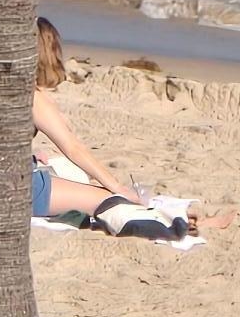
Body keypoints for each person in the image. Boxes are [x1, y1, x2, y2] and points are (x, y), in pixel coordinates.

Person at [30, 18, 199, 238]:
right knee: (109, 201)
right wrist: (118, 187)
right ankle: (174, 223)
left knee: (73, 171)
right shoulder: (34, 98)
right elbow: (73, 148)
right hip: (20, 188)